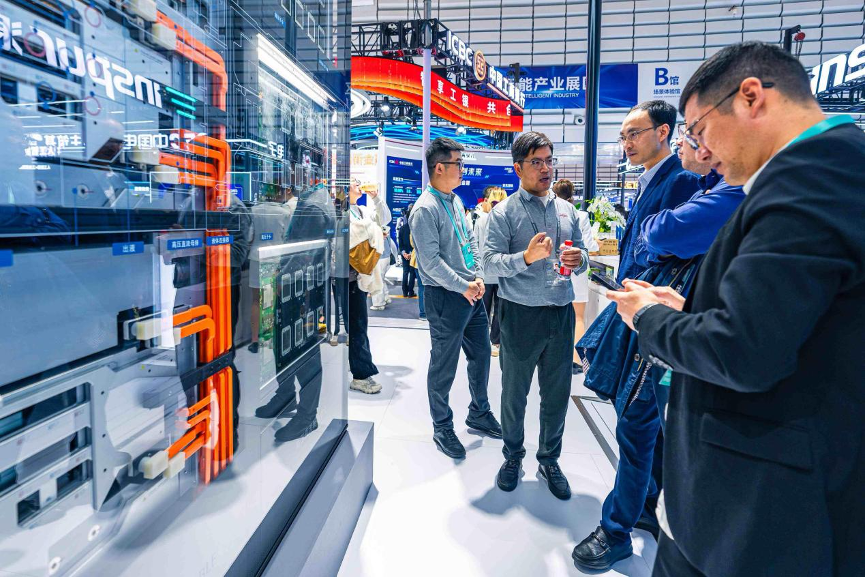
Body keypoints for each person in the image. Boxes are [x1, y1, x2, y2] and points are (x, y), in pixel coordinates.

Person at [606, 42, 864, 577]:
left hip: (762, 511)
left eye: (699, 129)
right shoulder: (821, 171)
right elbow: (787, 322)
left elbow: (741, 351)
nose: (700, 149)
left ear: (750, 97)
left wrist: (650, 318)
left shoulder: (810, 181)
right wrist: (690, 310)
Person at [572, 100, 699, 571]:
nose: (626, 143)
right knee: (648, 421)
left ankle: (616, 529)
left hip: (655, 315)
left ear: (664, 132)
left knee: (635, 421)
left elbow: (668, 247)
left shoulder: (681, 180)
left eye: (634, 133)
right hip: (641, 312)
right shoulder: (651, 180)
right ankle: (646, 503)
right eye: (623, 135)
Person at [483, 131, 588, 500]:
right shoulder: (504, 213)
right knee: (515, 393)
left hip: (560, 314)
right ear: (518, 168)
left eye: (549, 161)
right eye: (536, 162)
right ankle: (513, 456)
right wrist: (525, 258)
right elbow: (489, 265)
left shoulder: (567, 211)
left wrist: (579, 259)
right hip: (519, 314)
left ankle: (549, 459)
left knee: (557, 394)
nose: (545, 169)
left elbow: (582, 257)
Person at [409, 137, 502, 459]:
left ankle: (479, 412)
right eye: (458, 163)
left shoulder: (456, 201)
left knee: (481, 355)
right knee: (443, 364)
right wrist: (463, 285)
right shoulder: (425, 209)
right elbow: (430, 263)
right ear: (439, 167)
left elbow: (470, 242)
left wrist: (478, 276)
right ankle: (442, 426)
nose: (463, 169)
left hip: (470, 292)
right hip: (445, 297)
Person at [551, 178, 598, 374]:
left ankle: (555, 358)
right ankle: (576, 361)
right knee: (578, 317)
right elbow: (589, 245)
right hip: (577, 268)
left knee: (555, 317)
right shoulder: (581, 215)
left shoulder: (550, 212)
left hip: (555, 269)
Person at [347, 179, 389, 394]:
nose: (358, 184)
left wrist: (376, 198)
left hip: (359, 275)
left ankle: (360, 371)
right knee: (357, 325)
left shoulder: (361, 210)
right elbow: (357, 234)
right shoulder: (341, 212)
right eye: (354, 182)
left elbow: (384, 219)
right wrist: (374, 231)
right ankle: (360, 375)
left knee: (358, 325)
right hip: (347, 275)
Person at [248, 186, 298, 353]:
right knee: (271, 300)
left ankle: (255, 340)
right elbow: (287, 236)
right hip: (276, 258)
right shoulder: (284, 212)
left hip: (257, 257)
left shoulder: (253, 211)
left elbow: (249, 236)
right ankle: (268, 337)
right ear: (278, 194)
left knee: (256, 300)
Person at [474, 186, 508, 357]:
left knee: (485, 310)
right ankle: (494, 342)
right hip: (497, 273)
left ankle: (485, 342)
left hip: (490, 273)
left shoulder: (482, 220)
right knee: (496, 311)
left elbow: (474, 246)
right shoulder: (505, 220)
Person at [370, 226, 395, 311]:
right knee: (381, 279)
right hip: (385, 257)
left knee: (376, 281)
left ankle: (378, 304)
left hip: (379, 258)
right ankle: (386, 297)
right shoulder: (385, 227)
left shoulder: (375, 229)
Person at [398, 204, 416, 297]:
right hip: (413, 254)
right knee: (412, 273)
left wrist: (404, 253)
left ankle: (404, 292)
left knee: (405, 272)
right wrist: (410, 254)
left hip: (404, 254)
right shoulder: (415, 228)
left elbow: (400, 244)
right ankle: (410, 292)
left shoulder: (402, 228)